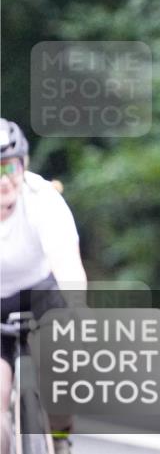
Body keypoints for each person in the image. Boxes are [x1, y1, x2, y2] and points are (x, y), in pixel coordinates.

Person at [0, 119, 87, 454]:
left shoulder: (42, 199)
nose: (5, 179)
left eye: (11, 166)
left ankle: (61, 441)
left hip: (42, 293)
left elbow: (66, 262)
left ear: (24, 164)